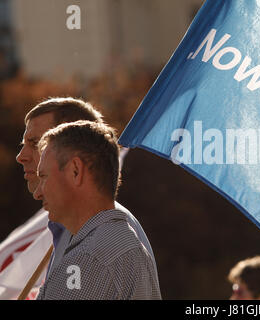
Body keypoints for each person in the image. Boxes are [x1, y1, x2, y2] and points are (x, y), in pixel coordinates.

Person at [15, 97, 160, 298]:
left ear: (76, 169)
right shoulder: (93, 237)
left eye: (35, 143)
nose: (20, 156)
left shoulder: (92, 255)